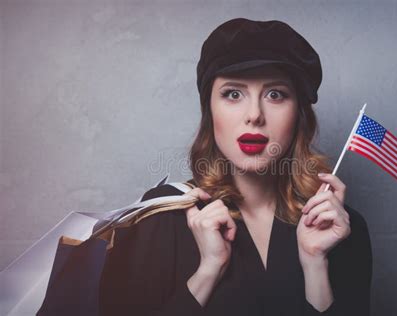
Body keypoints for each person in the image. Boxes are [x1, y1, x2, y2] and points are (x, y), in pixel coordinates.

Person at [98, 18, 372, 316]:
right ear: (209, 111)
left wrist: (315, 265)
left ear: (300, 117)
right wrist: (208, 272)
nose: (254, 115)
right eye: (233, 94)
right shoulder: (156, 219)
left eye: (275, 94)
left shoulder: (340, 227)